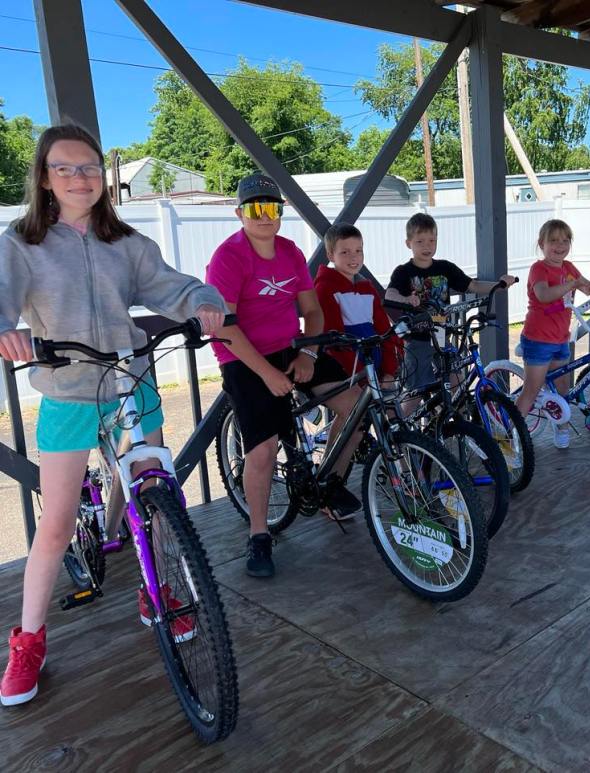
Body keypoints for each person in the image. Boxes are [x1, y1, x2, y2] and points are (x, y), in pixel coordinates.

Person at [0, 124, 226, 707]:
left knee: (156, 494)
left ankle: (160, 591)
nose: (80, 178)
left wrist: (203, 301)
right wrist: (6, 328)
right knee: (56, 524)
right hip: (69, 393)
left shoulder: (126, 242)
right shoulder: (21, 243)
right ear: (45, 179)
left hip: (131, 384)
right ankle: (28, 641)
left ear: (105, 177)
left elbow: (168, 285)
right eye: (65, 168)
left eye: (90, 168)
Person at [206, 174, 364, 579]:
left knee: (356, 406)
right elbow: (223, 326)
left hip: (291, 347)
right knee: (262, 448)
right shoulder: (228, 257)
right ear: (240, 213)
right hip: (243, 356)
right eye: (255, 209)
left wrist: (309, 351)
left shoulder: (291, 252)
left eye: (272, 208)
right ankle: (259, 534)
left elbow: (312, 310)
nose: (265, 216)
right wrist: (268, 374)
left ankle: (327, 485)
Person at [514, 219, 590, 449]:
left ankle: (560, 426)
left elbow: (589, 288)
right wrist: (569, 286)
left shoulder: (568, 267)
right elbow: (543, 295)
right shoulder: (538, 268)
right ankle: (511, 437)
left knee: (562, 388)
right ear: (542, 244)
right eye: (553, 241)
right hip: (538, 339)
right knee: (531, 392)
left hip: (561, 338)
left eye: (565, 240)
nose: (560, 245)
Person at [385, 212, 515, 390]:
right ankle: (407, 417)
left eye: (432, 240)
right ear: (409, 243)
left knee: (457, 383)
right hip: (417, 337)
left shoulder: (445, 268)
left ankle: (456, 417)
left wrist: (499, 286)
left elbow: (473, 285)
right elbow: (389, 294)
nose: (427, 246)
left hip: (440, 331)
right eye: (420, 241)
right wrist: (405, 299)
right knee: (416, 392)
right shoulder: (403, 272)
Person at [314, 222, 402, 386]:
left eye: (358, 251)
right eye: (345, 252)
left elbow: (384, 329)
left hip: (379, 374)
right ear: (331, 255)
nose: (353, 257)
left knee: (391, 412)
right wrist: (362, 377)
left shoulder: (367, 288)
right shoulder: (325, 288)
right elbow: (335, 342)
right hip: (349, 378)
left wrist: (389, 370)